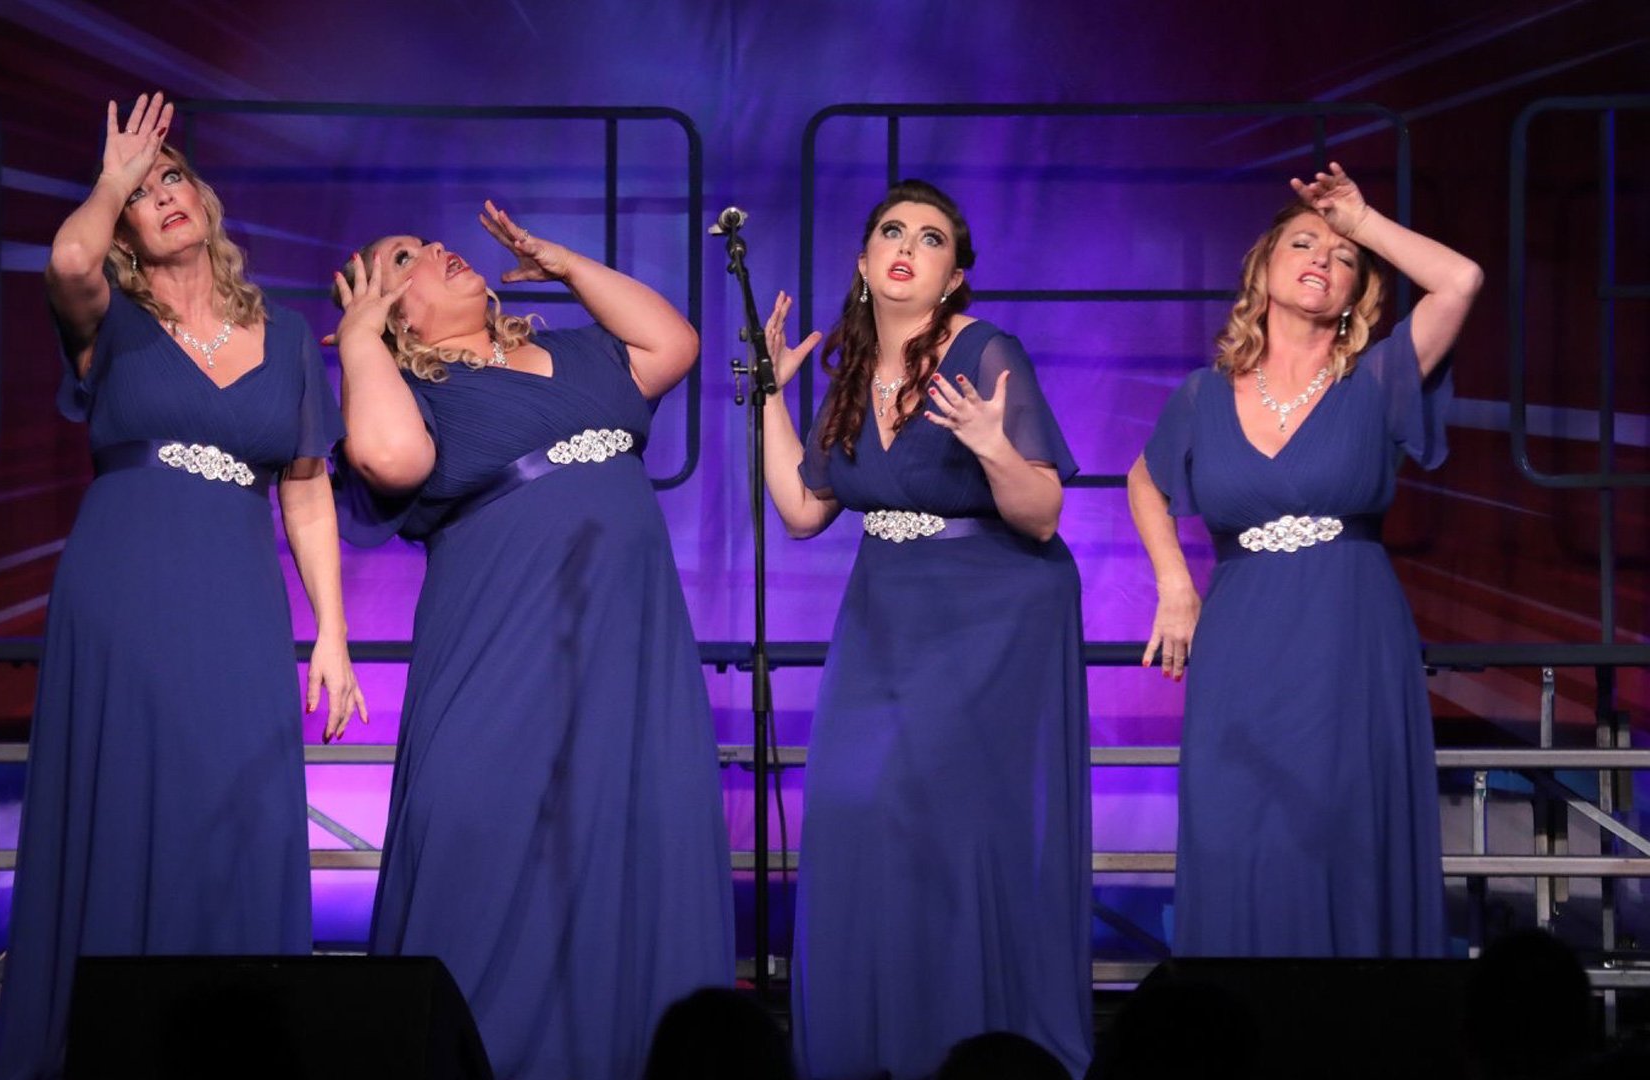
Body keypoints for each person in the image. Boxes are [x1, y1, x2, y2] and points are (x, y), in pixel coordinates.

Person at [0, 92, 360, 1079]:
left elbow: (307, 494)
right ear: (125, 228)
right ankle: (106, 1046)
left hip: (238, 599)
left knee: (234, 803)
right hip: (126, 586)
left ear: (204, 198)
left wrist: (331, 632)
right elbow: (68, 262)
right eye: (144, 193)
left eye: (173, 178)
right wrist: (110, 178)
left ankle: (236, 1048)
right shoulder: (109, 320)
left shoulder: (287, 338)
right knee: (128, 798)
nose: (164, 197)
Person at [329, 201, 733, 1080]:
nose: (437, 247)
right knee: (490, 845)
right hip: (503, 651)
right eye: (404, 258)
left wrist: (566, 265)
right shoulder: (419, 393)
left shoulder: (585, 352)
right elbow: (390, 459)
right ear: (390, 316)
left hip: (625, 653)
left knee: (624, 842)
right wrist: (361, 337)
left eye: (428, 240)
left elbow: (674, 343)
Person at [761, 179, 1092, 1079]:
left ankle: (973, 1043)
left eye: (932, 238)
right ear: (864, 261)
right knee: (858, 808)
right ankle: (881, 1036)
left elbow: (1042, 513)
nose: (908, 246)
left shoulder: (987, 352)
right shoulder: (850, 374)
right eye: (892, 231)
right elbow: (803, 511)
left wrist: (991, 445)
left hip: (992, 612)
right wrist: (767, 398)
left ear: (953, 277)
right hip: (886, 612)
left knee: (955, 823)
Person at [1128, 162, 1482, 957]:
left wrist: (1364, 224)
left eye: (1342, 256)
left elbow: (1460, 280)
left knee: (1342, 832)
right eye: (1303, 243)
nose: (1323, 256)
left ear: (1357, 292)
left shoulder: (1378, 379)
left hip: (1349, 636)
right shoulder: (1203, 396)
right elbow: (1144, 481)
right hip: (1241, 641)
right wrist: (1174, 584)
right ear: (1262, 270)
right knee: (1239, 830)